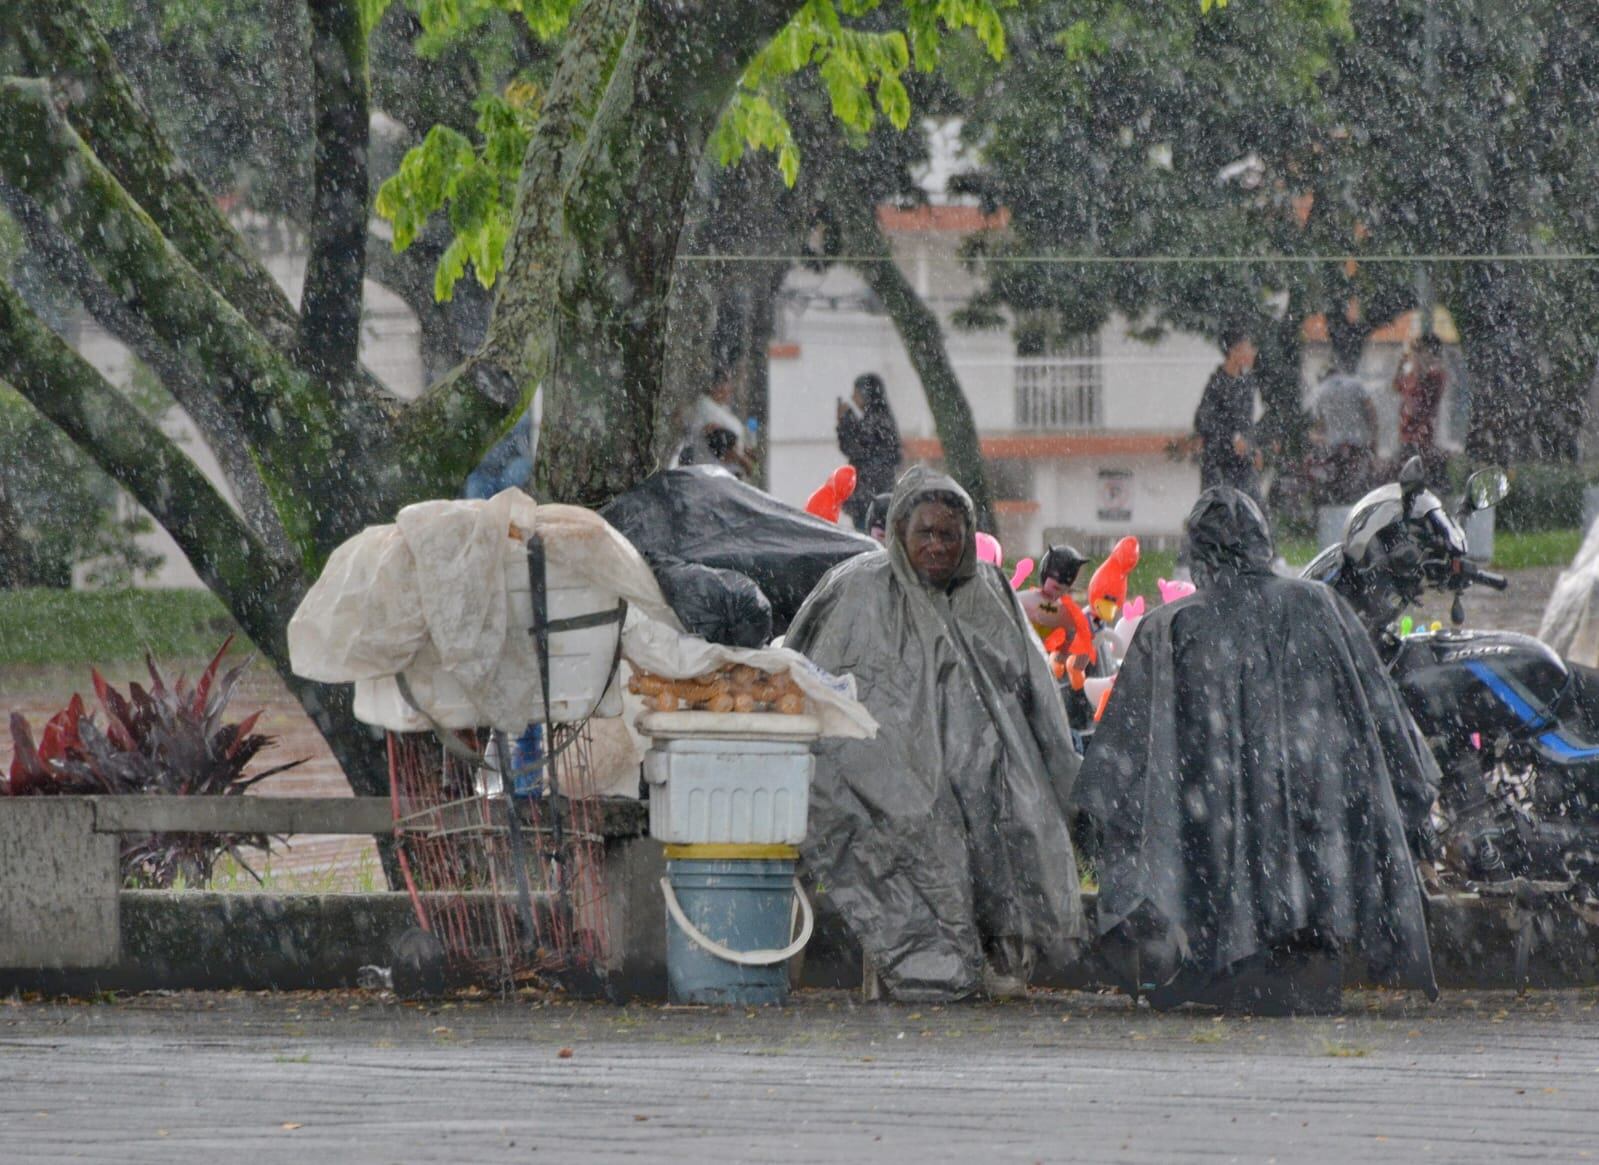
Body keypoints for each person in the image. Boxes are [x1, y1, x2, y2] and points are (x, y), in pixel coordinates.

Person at [1073, 487, 1439, 1015]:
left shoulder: (1173, 625)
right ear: (1263, 541)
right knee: (1293, 830)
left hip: (1208, 811)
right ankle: (1300, 952)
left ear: (1197, 553)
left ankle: (1224, 960)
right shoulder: (1319, 606)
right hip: (1312, 822)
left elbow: (1122, 763)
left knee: (1204, 825)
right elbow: (1385, 728)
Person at [784, 467, 1084, 1002]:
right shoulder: (859, 588)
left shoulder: (988, 590)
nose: (938, 546)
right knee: (917, 816)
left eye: (949, 535)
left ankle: (989, 953)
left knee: (1008, 803)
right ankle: (937, 959)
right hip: (882, 765)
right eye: (925, 533)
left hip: (987, 761)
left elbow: (1030, 684)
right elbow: (816, 680)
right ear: (900, 531)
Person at [1193, 326, 1262, 499]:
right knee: (1221, 515)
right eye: (1248, 347)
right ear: (1234, 351)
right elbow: (1203, 421)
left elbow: (1247, 422)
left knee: (1254, 515)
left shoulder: (1247, 384)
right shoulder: (1217, 384)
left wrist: (1252, 446)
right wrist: (1232, 437)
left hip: (1243, 466)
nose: (1253, 352)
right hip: (1219, 465)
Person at [1308, 349, 1378, 504]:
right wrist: (1373, 437)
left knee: (1337, 485)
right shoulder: (1356, 385)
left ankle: (1337, 509)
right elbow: (1371, 412)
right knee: (1361, 486)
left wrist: (1317, 437)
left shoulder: (1320, 391)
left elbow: (1318, 424)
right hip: (1359, 444)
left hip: (1334, 447)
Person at [836, 373, 903, 530]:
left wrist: (846, 422)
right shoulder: (879, 419)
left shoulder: (876, 421)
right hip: (873, 495)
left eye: (857, 393)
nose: (853, 397)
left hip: (869, 496)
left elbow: (855, 448)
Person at [682, 363, 754, 478]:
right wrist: (743, 461)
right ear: (717, 386)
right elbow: (718, 441)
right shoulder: (706, 408)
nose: (731, 388)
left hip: (727, 476)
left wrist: (745, 451)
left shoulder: (722, 408)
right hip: (717, 476)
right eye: (727, 383)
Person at [1393, 332, 1448, 480]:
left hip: (1422, 434)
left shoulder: (1436, 372)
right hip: (1407, 433)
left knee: (1418, 476)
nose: (1416, 354)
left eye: (1420, 349)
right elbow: (1397, 386)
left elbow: (1422, 381)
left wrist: (1415, 358)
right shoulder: (1413, 372)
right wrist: (1401, 363)